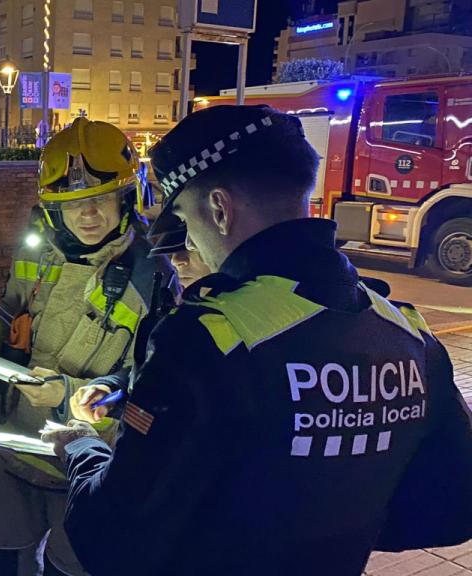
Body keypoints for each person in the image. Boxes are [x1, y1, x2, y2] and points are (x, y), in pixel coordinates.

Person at [45, 105, 472, 575]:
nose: (189, 245)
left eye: (185, 221)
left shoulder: (207, 338)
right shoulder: (407, 334)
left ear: (219, 210)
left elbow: (108, 538)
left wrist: (81, 446)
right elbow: (451, 509)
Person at [0, 117, 178, 576]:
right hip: (16, 447)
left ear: (128, 198)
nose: (88, 215)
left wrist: (67, 392)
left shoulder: (155, 276)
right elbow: (11, 315)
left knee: (71, 569)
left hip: (88, 462)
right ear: (53, 210)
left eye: (101, 199)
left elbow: (147, 381)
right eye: (73, 204)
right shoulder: (37, 253)